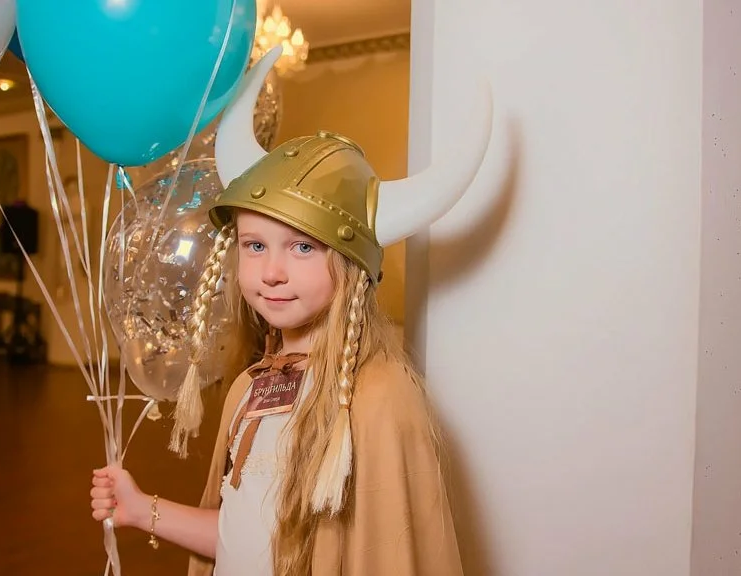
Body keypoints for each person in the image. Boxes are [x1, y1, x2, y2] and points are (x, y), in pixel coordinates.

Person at [90, 134, 465, 575]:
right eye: (255, 245)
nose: (271, 272)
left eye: (302, 247)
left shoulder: (377, 395)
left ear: (350, 263)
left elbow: (384, 557)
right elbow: (238, 534)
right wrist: (141, 509)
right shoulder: (250, 388)